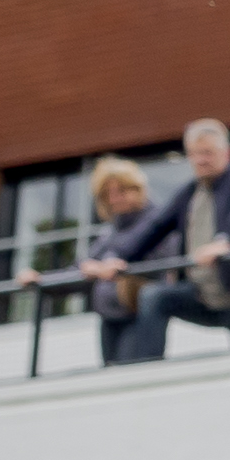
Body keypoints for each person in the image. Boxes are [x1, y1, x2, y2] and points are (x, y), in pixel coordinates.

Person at [93, 122, 230, 362]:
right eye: (195, 154)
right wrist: (118, 257)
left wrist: (224, 241)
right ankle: (147, 368)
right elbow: (154, 228)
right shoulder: (189, 192)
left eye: (208, 153)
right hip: (201, 296)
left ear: (226, 153)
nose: (201, 160)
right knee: (154, 297)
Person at [64, 154, 163, 367]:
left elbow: (160, 265)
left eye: (121, 191)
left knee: (131, 375)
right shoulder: (110, 233)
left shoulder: (157, 223)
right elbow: (82, 266)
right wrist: (40, 279)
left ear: (137, 189)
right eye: (108, 194)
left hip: (139, 317)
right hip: (110, 319)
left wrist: (116, 270)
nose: (114, 199)